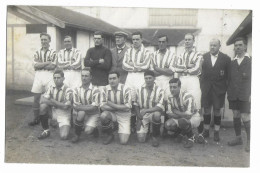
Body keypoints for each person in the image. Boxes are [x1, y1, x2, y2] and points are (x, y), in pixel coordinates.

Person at [198, 39, 231, 143]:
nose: (212, 47)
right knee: (206, 110)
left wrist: (224, 88)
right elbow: (200, 73)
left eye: (214, 45)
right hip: (206, 89)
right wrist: (202, 86)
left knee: (217, 110)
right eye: (211, 45)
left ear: (219, 46)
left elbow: (228, 76)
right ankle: (206, 130)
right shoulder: (203, 57)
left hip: (219, 89)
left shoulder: (226, 58)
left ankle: (216, 132)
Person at [172, 33, 203, 137]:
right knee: (182, 103)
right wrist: (188, 66)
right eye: (185, 40)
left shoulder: (198, 54)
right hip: (182, 79)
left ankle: (200, 133)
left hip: (193, 80)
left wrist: (183, 68)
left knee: (196, 105)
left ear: (193, 41)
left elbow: (197, 69)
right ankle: (185, 131)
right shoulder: (181, 54)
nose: (187, 42)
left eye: (189, 40)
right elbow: (175, 67)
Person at [227, 37, 251, 152]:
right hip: (234, 94)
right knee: (236, 115)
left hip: (245, 95)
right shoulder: (232, 62)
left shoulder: (251, 61)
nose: (238, 47)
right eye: (236, 45)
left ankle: (250, 142)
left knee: (245, 117)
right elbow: (229, 79)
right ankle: (238, 138)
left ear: (245, 46)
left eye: (240, 45)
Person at [29, 33, 57, 126]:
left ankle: (52, 119)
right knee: (36, 98)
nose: (43, 41)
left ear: (49, 40)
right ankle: (36, 118)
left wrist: (41, 64)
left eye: (45, 39)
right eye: (42, 40)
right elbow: (35, 65)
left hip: (49, 75)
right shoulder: (37, 52)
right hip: (38, 75)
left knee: (50, 97)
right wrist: (47, 62)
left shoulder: (53, 52)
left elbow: (52, 66)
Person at [37, 69, 73, 140]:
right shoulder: (51, 88)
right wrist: (59, 104)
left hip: (64, 115)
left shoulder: (68, 90)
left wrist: (52, 100)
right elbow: (42, 100)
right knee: (43, 106)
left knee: (64, 136)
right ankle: (46, 130)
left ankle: (67, 125)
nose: (56, 80)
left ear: (63, 78)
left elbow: (65, 107)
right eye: (55, 78)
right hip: (53, 113)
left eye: (58, 78)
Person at [164, 78, 200, 148]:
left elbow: (189, 115)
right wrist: (181, 114)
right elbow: (169, 113)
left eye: (174, 87)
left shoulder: (187, 96)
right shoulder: (169, 97)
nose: (172, 89)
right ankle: (181, 133)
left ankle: (191, 137)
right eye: (170, 87)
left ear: (180, 87)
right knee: (168, 124)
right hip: (181, 118)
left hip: (194, 117)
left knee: (182, 121)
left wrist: (176, 111)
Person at [100, 71, 132, 145]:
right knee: (103, 115)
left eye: (114, 78)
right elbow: (102, 107)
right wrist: (120, 107)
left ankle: (118, 127)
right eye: (110, 79)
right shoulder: (105, 89)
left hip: (124, 115)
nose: (112, 81)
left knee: (123, 141)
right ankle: (110, 134)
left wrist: (110, 104)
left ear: (119, 79)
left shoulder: (126, 89)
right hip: (112, 114)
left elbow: (128, 108)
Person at [135, 70, 164, 147]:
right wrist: (139, 117)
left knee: (157, 115)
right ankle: (147, 130)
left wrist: (146, 110)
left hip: (153, 113)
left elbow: (160, 106)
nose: (148, 80)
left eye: (150, 78)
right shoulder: (139, 89)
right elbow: (136, 104)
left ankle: (154, 135)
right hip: (142, 114)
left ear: (154, 78)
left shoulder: (160, 90)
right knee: (141, 140)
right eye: (146, 78)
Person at [71, 67, 101, 143]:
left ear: (91, 77)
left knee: (87, 131)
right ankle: (77, 134)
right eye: (82, 76)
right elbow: (76, 106)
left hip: (93, 114)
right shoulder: (76, 89)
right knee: (81, 113)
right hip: (82, 113)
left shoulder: (96, 90)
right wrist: (89, 107)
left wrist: (81, 107)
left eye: (86, 76)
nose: (84, 78)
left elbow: (94, 108)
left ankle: (94, 128)